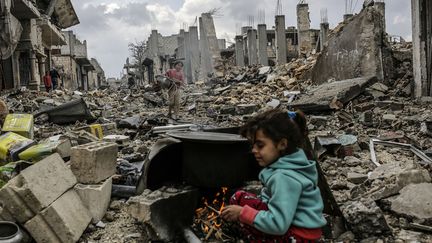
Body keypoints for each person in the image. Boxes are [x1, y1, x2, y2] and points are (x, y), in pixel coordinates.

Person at [221, 109, 326, 242]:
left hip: (297, 236)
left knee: (239, 204)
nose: (254, 150)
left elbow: (278, 225)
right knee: (240, 198)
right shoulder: (294, 165)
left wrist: (242, 213)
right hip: (301, 232)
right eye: (253, 145)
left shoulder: (284, 178)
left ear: (282, 144)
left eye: (260, 145)